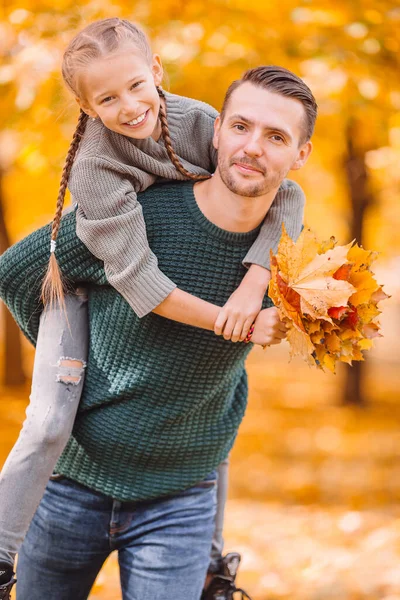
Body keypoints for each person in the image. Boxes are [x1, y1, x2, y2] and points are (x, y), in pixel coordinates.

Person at [0, 18, 307, 599]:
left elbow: (285, 191)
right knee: (45, 421)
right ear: (86, 107)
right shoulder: (97, 171)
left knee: (222, 404)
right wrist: (69, 354)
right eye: (108, 98)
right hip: (74, 466)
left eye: (138, 87)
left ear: (157, 74)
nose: (130, 106)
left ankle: (213, 568)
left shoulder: (198, 126)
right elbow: (27, 274)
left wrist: (253, 281)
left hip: (181, 492)